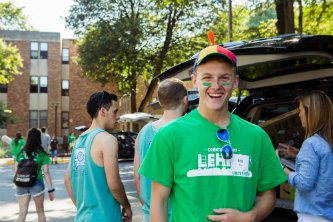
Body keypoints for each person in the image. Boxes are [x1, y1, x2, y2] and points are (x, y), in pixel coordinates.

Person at [139, 43, 287, 222]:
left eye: (224, 78)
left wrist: (249, 217)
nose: (215, 86)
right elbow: (159, 203)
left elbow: (268, 195)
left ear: (235, 82)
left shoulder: (257, 136)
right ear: (195, 80)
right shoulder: (169, 135)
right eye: (207, 77)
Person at [64, 91, 132, 222]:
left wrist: (82, 210)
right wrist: (126, 206)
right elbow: (114, 184)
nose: (118, 117)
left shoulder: (78, 142)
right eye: (115, 112)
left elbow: (68, 181)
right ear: (103, 112)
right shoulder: (107, 140)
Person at [134, 78, 188, 222]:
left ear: (160, 102)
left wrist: (148, 208)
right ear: (185, 100)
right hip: (180, 216)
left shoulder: (143, 133)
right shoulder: (186, 133)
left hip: (150, 214)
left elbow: (137, 177)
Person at [281, 91, 333, 222]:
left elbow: (303, 183)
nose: (299, 115)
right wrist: (297, 154)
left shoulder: (311, 143)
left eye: (301, 110)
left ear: (311, 113)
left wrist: (281, 167)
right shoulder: (327, 142)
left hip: (312, 217)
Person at [14, 128, 54, 222]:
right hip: (37, 182)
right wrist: (50, 188)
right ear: (38, 139)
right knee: (40, 212)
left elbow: (16, 170)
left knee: (22, 214)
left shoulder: (21, 152)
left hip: (22, 182)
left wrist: (17, 186)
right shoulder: (42, 153)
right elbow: (46, 172)